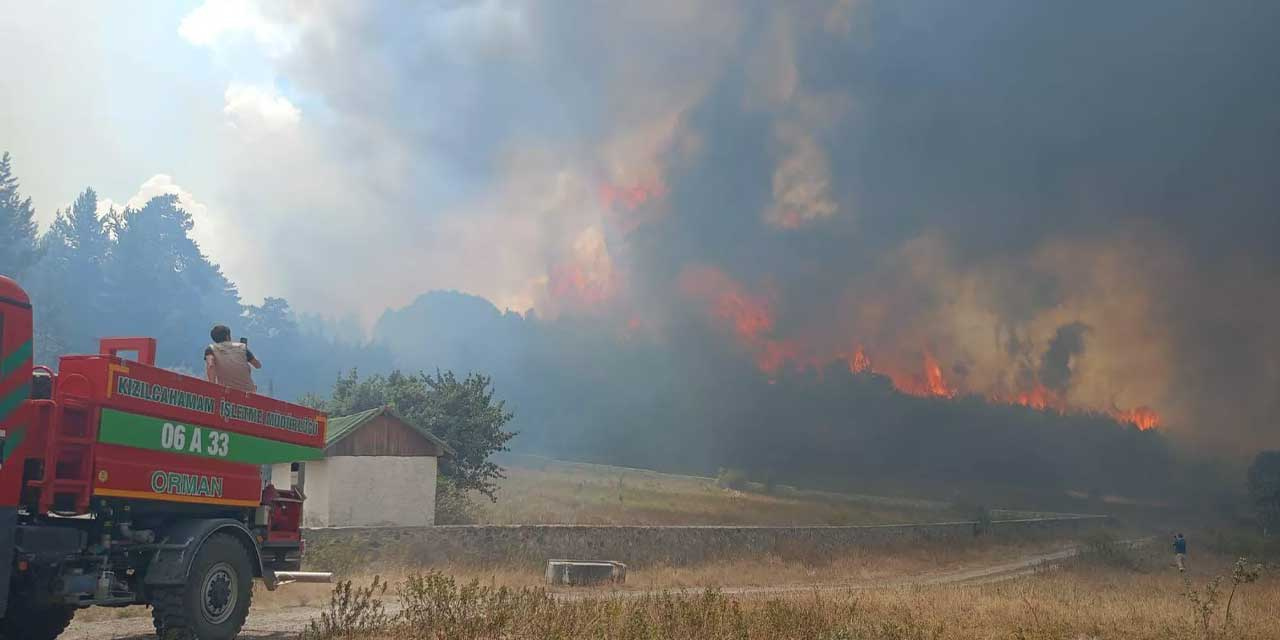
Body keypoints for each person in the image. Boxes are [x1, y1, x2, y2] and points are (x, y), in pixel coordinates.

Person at [204, 324, 261, 393]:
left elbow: (211, 366)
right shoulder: (242, 347)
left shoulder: (211, 349)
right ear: (228, 337)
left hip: (226, 392)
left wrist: (212, 387)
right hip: (248, 392)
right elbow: (258, 365)